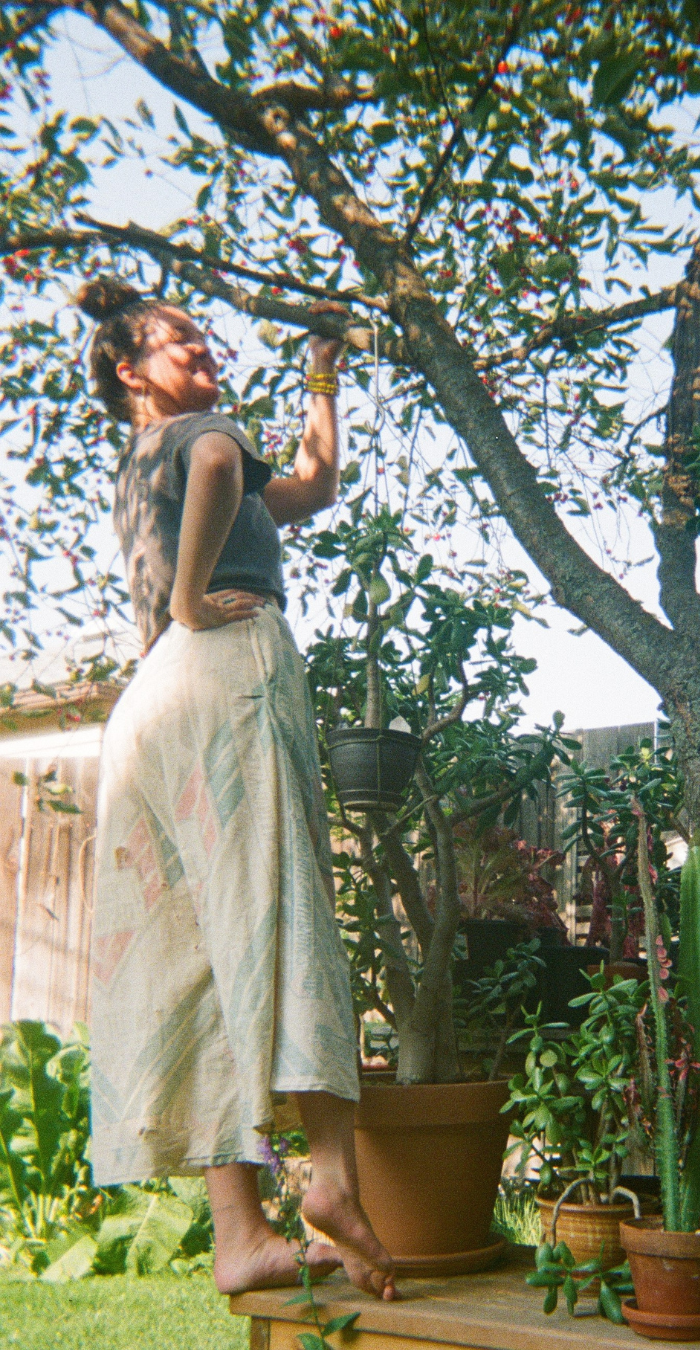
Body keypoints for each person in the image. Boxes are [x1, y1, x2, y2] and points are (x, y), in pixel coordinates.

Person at [77, 277, 395, 1301]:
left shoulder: (136, 466)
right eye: (178, 341)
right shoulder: (197, 436)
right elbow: (224, 457)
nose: (203, 351)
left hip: (153, 706)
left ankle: (236, 1234)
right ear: (131, 369)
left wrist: (321, 383)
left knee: (201, 949)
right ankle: (334, 1179)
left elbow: (313, 487)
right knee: (284, 905)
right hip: (223, 657)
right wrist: (186, 597)